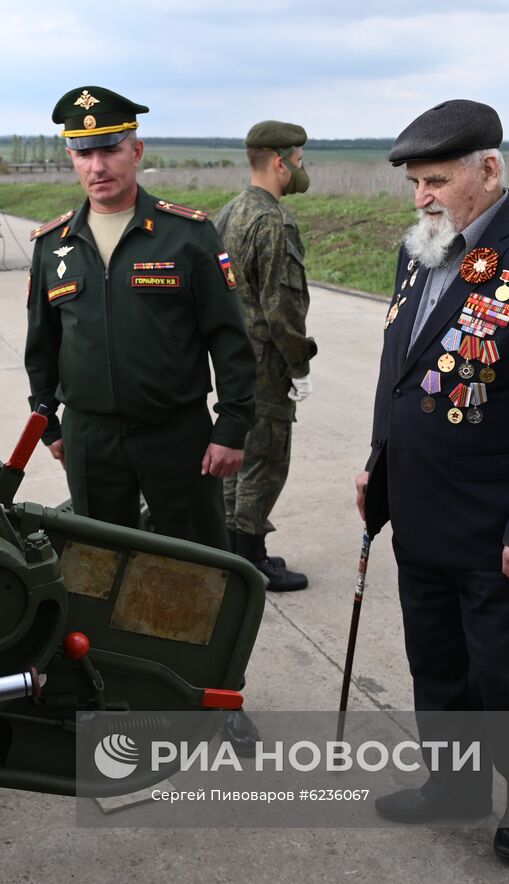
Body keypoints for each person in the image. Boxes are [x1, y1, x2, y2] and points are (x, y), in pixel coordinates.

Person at [354, 100, 509, 861]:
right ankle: (454, 784)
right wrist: (378, 465)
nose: (423, 196)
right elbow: (397, 375)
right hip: (422, 512)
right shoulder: (419, 250)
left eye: (437, 179)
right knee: (437, 664)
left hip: (501, 529)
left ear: (488, 170)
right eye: (414, 182)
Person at [24, 86, 256, 552]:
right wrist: (47, 422)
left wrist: (232, 426)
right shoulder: (54, 245)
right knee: (99, 567)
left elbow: (229, 339)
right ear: (71, 156)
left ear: (137, 150)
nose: (97, 166)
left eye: (109, 150)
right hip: (89, 437)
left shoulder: (187, 235)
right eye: (83, 153)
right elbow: (42, 344)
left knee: (195, 564)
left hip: (176, 433)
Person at [213, 120, 318, 591]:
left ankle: (233, 551)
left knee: (238, 456)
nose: (301, 168)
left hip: (232, 360)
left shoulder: (229, 213)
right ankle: (251, 558)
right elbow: (282, 308)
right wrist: (300, 361)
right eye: (299, 160)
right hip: (266, 363)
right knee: (266, 460)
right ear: (279, 161)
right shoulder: (272, 220)